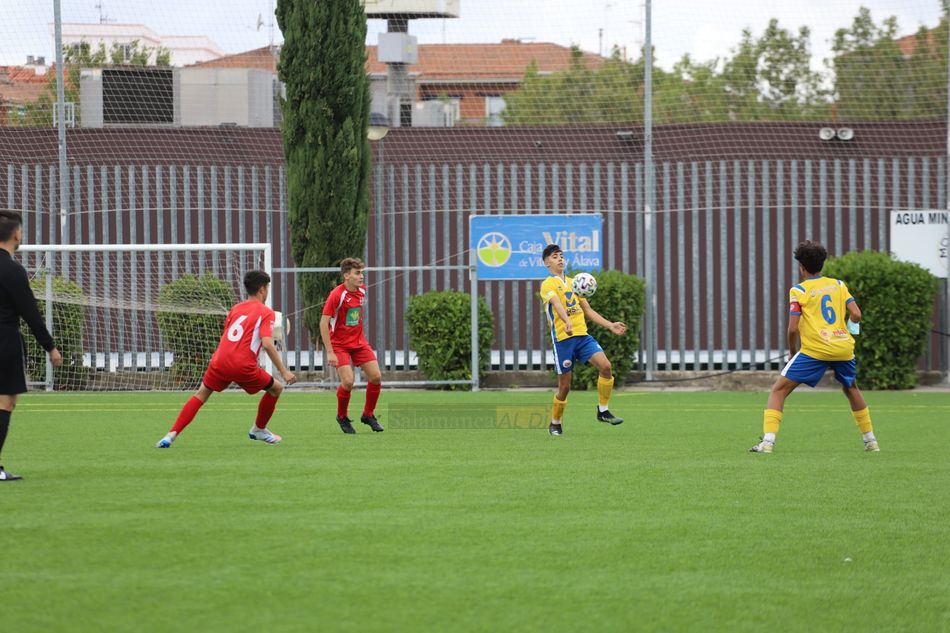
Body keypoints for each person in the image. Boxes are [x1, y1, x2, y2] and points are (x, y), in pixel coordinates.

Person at [750, 240, 879, 454]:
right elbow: (856, 314)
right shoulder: (838, 285)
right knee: (851, 388)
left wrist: (793, 351)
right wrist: (849, 329)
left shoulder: (799, 290)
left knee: (779, 390)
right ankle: (871, 441)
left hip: (815, 350)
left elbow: (793, 328)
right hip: (843, 347)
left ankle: (768, 443)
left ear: (801, 266)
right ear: (822, 263)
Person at [155, 270, 296, 448]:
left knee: (201, 395)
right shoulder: (266, 312)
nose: (267, 291)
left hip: (219, 360)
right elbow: (267, 344)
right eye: (267, 288)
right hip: (242, 364)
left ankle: (170, 435)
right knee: (276, 388)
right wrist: (284, 371)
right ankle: (259, 429)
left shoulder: (236, 309)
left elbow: (229, 337)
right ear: (262, 289)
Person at [0, 210, 64, 481]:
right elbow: (31, 314)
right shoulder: (13, 271)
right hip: (4, 342)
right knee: (5, 401)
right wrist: (50, 347)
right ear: (16, 234)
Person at [539, 244, 627, 436]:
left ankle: (603, 411)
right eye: (554, 256)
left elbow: (587, 310)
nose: (560, 259)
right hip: (563, 340)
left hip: (582, 337)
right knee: (565, 387)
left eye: (561, 256)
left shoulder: (575, 283)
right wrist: (566, 321)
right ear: (546, 263)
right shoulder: (548, 284)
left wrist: (610, 325)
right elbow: (556, 304)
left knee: (606, 367)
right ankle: (555, 423)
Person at [320, 257, 384, 434]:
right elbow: (323, 323)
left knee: (376, 377)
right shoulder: (336, 295)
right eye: (357, 273)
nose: (361, 276)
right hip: (339, 345)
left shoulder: (362, 290)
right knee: (348, 382)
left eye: (362, 273)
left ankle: (368, 415)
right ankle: (342, 416)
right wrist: (330, 352)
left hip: (359, 343)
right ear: (346, 276)